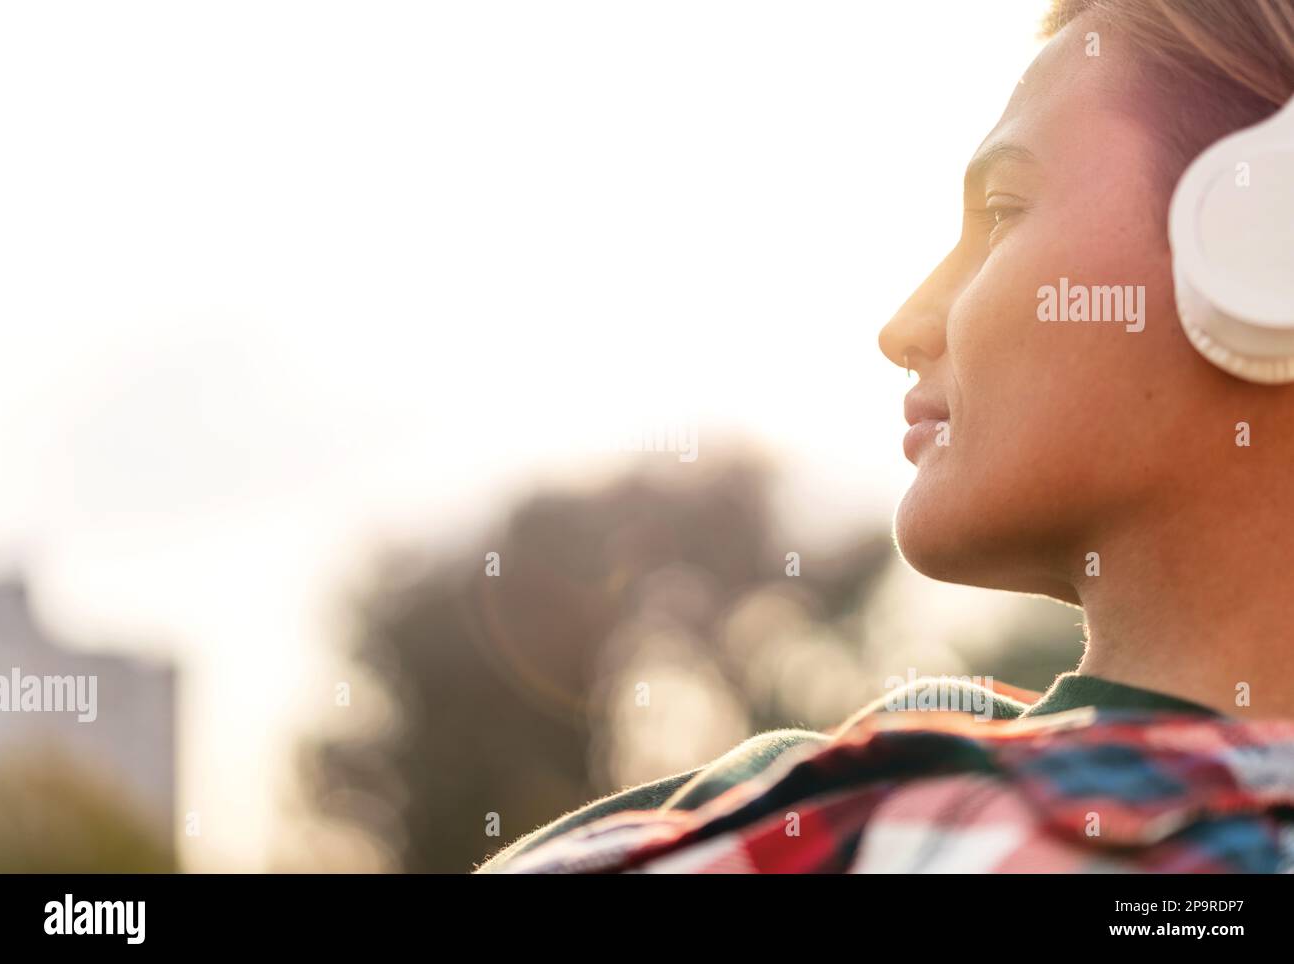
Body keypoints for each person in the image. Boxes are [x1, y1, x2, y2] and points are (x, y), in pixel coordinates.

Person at [476, 0, 1294, 874]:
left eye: (1006, 210)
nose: (902, 328)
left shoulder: (870, 828)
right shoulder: (819, 792)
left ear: (1260, 245)